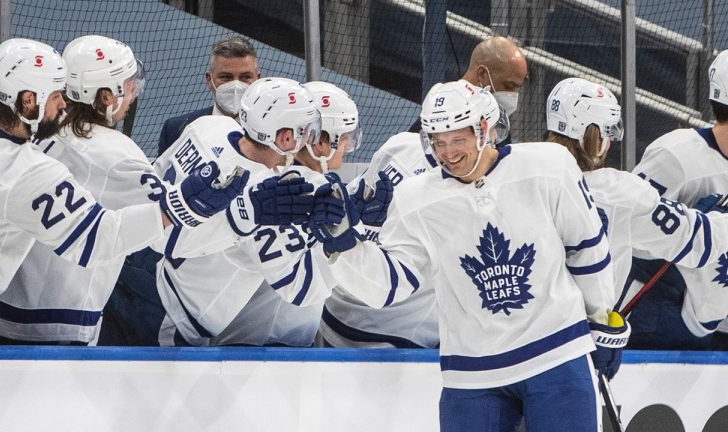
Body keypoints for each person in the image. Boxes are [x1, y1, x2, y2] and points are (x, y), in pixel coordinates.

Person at [311, 80, 622, 431]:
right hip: (472, 374)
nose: (449, 153)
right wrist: (345, 246)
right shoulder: (416, 198)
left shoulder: (548, 166)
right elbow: (389, 286)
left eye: (458, 139)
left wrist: (599, 317)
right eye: (438, 142)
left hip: (555, 353)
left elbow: (586, 248)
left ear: (484, 129)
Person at [0, 38, 256, 345]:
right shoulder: (51, 168)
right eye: (56, 95)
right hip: (52, 325)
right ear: (27, 101)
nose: (63, 103)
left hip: (3, 311)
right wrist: (200, 213)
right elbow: (108, 237)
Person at [99, 78, 378, 346]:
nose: (310, 138)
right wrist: (340, 245)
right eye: (307, 130)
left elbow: (154, 182)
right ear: (284, 137)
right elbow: (299, 289)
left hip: (132, 265)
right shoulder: (270, 198)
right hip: (171, 309)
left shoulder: (209, 125)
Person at [0, 35, 171, 344]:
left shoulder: (33, 127)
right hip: (60, 324)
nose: (133, 90)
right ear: (106, 96)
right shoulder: (115, 152)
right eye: (126, 83)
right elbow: (174, 229)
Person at [319, 97, 509, 349]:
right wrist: (360, 225)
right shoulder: (400, 150)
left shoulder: (481, 197)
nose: (495, 138)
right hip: (356, 322)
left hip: (393, 332)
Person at [544, 77, 728, 324]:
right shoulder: (620, 193)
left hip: (519, 332)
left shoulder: (520, 174)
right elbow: (699, 242)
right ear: (599, 137)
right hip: (583, 335)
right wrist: (716, 219)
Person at [207, 80, 373, 347]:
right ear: (320, 141)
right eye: (345, 138)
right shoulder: (304, 193)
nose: (347, 146)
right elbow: (303, 286)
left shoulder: (270, 181)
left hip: (242, 338)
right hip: (269, 347)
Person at [625, 49, 728, 350]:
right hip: (659, 320)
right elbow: (627, 231)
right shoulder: (676, 155)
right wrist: (693, 230)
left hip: (716, 322)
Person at [158, 36, 260, 155]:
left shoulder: (275, 135)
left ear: (258, 80)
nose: (236, 85)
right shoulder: (177, 128)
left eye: (245, 77)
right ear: (209, 79)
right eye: (226, 77)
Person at [462, 36, 528, 119]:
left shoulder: (490, 116)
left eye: (517, 88)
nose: (512, 96)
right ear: (482, 74)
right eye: (509, 86)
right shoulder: (447, 109)